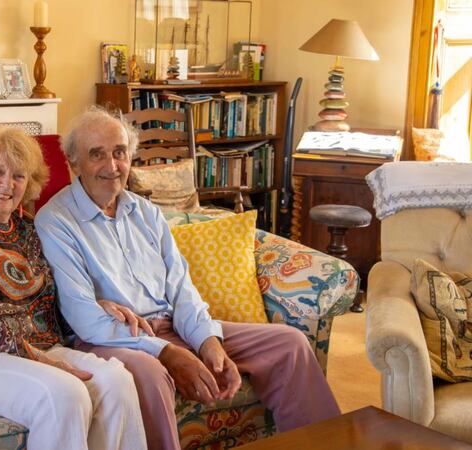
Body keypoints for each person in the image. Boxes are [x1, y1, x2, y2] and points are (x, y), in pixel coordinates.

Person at [34, 108, 342, 450]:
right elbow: (86, 319)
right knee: (149, 376)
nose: (112, 166)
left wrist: (206, 340)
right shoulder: (56, 222)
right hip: (113, 339)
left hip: (174, 327)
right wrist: (166, 353)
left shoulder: (146, 212)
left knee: (290, 345)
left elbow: (181, 288)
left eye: (120, 152)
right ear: (73, 163)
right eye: (97, 155)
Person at [0, 126, 147, 450]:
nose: (7, 184)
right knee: (65, 394)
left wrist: (95, 304)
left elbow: (53, 301)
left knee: (118, 382)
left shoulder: (30, 227)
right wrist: (38, 357)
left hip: (41, 350)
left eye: (18, 176)